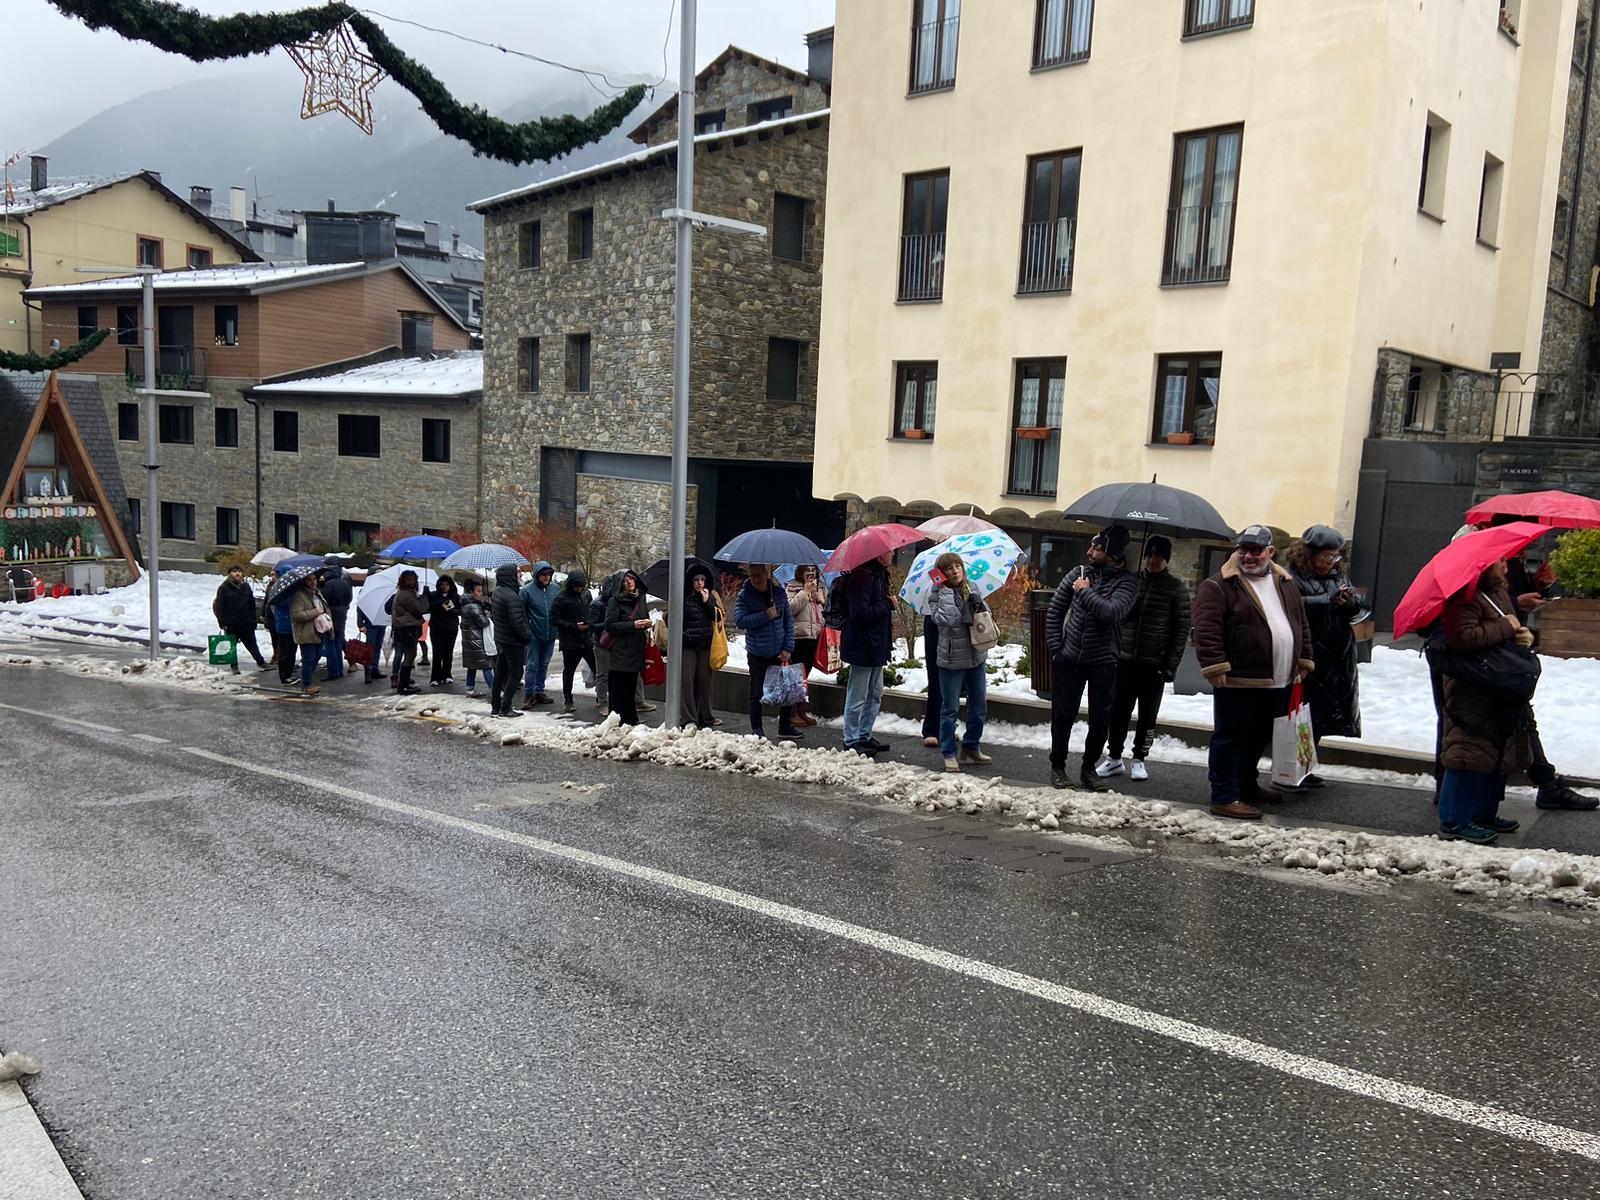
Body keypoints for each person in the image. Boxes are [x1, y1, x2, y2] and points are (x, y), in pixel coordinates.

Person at [1192, 525, 1316, 820]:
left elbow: (1301, 624)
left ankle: (1246, 785)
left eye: (1256, 550)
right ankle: (1223, 795)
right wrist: (1215, 665)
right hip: (1239, 678)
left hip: (1278, 676)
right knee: (1230, 737)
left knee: (1258, 737)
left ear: (1270, 552)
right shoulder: (1219, 585)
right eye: (1243, 550)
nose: (1248, 556)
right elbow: (1207, 630)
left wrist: (1304, 658)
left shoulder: (1285, 582)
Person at [1436, 559, 1534, 843]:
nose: (1506, 568)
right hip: (1470, 684)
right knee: (1467, 751)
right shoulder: (1464, 597)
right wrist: (1506, 627)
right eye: (1500, 563)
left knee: (1494, 749)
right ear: (1482, 567)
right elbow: (1461, 637)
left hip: (1494, 682)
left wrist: (1524, 636)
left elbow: (1507, 628)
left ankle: (1482, 813)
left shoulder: (1497, 592)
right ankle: (1454, 820)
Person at [1046, 525, 1139, 792]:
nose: (1090, 551)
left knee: (1101, 719)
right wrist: (1056, 649)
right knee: (1063, 715)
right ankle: (1058, 767)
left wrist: (1085, 591)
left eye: (1097, 548)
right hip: (1070, 658)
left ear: (1112, 553)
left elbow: (1113, 612)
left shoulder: (1128, 583)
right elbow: (1055, 610)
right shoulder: (1078, 573)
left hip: (1104, 662)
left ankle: (1088, 769)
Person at [1099, 535, 1190, 782]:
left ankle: (1139, 758)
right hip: (1125, 659)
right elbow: (1115, 612)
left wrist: (1171, 664)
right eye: (1149, 555)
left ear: (1166, 559)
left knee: (1148, 714)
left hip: (1154, 663)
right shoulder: (1131, 582)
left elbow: (1181, 630)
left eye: (1159, 556)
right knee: (1118, 711)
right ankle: (1114, 757)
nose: (1153, 560)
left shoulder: (1176, 590)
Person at [1283, 526, 1362, 783]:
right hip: (1309, 655)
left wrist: (1348, 602)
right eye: (1326, 557)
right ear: (1309, 554)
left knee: (1321, 714)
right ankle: (1293, 768)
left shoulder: (1338, 576)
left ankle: (1305, 766)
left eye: (1335, 557)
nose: (1331, 562)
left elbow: (1358, 609)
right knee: (1302, 714)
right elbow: (1293, 605)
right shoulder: (1292, 575)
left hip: (1337, 657)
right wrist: (1327, 600)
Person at [928, 553, 992, 773]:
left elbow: (986, 618)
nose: (955, 571)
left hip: (976, 655)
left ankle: (971, 746)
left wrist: (978, 604)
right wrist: (945, 591)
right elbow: (945, 620)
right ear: (941, 573)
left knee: (979, 705)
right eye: (949, 568)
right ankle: (948, 752)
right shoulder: (936, 594)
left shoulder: (972, 587)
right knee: (950, 708)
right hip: (952, 659)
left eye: (958, 566)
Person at [736, 562, 802, 741]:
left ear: (766, 574)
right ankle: (757, 729)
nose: (756, 579)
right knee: (756, 692)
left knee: (788, 688)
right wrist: (766, 615)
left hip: (779, 651)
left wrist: (788, 647)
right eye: (753, 576)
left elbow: (788, 621)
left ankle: (785, 726)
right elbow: (741, 621)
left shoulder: (779, 593)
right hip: (757, 652)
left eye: (759, 575)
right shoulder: (745, 596)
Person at [839, 550, 895, 756]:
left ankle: (864, 735)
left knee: (875, 694)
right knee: (858, 695)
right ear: (880, 555)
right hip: (862, 645)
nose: (894, 554)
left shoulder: (879, 575)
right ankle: (851, 739)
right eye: (890, 551)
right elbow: (859, 613)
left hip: (876, 644)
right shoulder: (862, 576)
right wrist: (887, 604)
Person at [591, 570, 650, 717]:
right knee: (621, 688)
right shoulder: (614, 601)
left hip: (636, 648)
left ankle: (631, 718)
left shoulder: (640, 599)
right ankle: (620, 719)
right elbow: (609, 625)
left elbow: (643, 618)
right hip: (621, 651)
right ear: (620, 584)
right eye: (625, 580)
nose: (629, 582)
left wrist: (647, 624)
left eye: (631, 579)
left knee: (631, 686)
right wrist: (633, 625)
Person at [679, 567, 723, 728]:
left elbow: (715, 617)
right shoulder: (684, 598)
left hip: (705, 645)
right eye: (696, 580)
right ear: (691, 582)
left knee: (705, 682)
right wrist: (686, 636)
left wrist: (706, 602)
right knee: (687, 682)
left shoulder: (708, 597)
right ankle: (689, 718)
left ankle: (706, 716)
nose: (699, 583)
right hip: (689, 646)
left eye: (702, 580)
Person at [550, 571, 596, 714]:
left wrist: (590, 623)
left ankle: (602, 698)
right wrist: (573, 626)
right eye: (576, 587)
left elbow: (590, 611)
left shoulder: (586, 595)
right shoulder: (561, 598)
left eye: (581, 587)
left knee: (598, 670)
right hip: (570, 641)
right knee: (569, 671)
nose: (579, 589)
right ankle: (568, 700)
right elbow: (553, 618)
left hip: (587, 639)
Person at [488, 563, 530, 718]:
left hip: (501, 640)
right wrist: (527, 636)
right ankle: (505, 708)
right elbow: (517, 622)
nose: (521, 576)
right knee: (516, 673)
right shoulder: (512, 596)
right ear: (510, 576)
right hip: (512, 642)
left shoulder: (498, 592)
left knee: (500, 673)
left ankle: (495, 706)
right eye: (518, 573)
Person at [786, 565, 825, 728]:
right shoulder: (793, 587)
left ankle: (802, 710)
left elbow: (825, 611)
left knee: (805, 677)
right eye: (806, 570)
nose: (810, 573)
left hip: (814, 636)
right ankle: (792, 713)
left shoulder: (821, 587)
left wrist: (820, 599)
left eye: (813, 570)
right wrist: (805, 593)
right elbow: (790, 609)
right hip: (799, 637)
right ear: (800, 572)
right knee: (796, 676)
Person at [212, 564, 267, 673]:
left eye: (239, 571)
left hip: (246, 622)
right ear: (230, 573)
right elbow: (219, 607)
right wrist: (222, 622)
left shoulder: (246, 586)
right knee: (231, 645)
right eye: (234, 571)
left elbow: (252, 604)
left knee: (252, 644)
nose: (237, 573)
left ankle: (261, 662)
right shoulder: (223, 588)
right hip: (231, 623)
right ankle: (234, 666)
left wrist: (253, 620)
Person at [520, 561, 558, 708]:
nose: (546, 577)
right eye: (543, 574)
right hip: (534, 633)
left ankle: (539, 691)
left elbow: (558, 608)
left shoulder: (555, 589)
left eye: (549, 574)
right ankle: (529, 694)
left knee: (544, 664)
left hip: (550, 632)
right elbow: (521, 613)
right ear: (537, 575)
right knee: (532, 664)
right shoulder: (527, 591)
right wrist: (527, 630)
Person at [289, 572, 332, 698]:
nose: (313, 582)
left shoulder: (317, 593)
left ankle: (307, 681)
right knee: (308, 659)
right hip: (306, 632)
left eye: (314, 579)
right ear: (304, 582)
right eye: (309, 580)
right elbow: (296, 615)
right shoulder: (299, 596)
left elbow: (324, 608)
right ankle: (306, 684)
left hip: (319, 631)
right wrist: (315, 612)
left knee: (316, 657)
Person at [388, 569, 428, 696]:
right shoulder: (406, 594)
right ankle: (403, 685)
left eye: (413, 580)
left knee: (409, 655)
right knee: (410, 655)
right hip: (407, 628)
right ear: (403, 581)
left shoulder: (405, 593)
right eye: (408, 580)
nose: (411, 582)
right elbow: (420, 609)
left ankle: (404, 683)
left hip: (405, 628)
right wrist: (424, 598)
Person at [460, 579, 495, 698]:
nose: (481, 593)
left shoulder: (467, 605)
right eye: (478, 591)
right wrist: (488, 612)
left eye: (482, 591)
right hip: (477, 641)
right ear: (471, 592)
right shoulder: (474, 607)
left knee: (472, 665)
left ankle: (470, 689)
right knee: (486, 665)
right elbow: (484, 622)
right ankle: (495, 690)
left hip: (470, 640)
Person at [428, 575, 462, 686]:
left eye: (447, 584)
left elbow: (460, 611)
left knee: (448, 652)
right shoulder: (433, 595)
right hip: (437, 628)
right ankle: (435, 677)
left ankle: (447, 674)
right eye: (442, 584)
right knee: (437, 652)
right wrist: (440, 603)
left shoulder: (455, 596)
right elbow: (428, 608)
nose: (444, 587)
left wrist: (451, 609)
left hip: (451, 628)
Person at [320, 565, 353, 681]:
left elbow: (324, 601)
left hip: (331, 616)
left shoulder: (329, 585)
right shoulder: (344, 583)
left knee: (330, 644)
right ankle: (339, 670)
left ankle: (333, 672)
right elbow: (349, 598)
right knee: (338, 643)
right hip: (342, 615)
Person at [270, 588, 297, 686]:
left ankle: (289, 673)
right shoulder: (279, 594)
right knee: (285, 652)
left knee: (291, 651)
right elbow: (278, 605)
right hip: (284, 626)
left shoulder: (293, 592)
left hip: (292, 626)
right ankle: (284, 676)